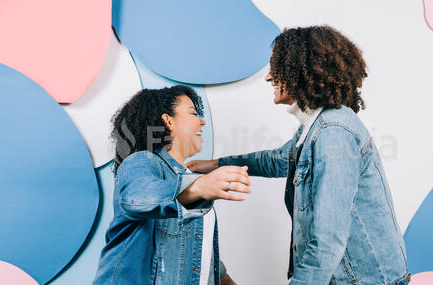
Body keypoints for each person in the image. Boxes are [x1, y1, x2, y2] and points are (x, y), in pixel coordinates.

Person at [187, 26, 410, 284]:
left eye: (276, 68)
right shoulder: (316, 127)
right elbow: (277, 160)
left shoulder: (333, 132)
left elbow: (328, 241)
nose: (269, 78)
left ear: (301, 72)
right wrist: (215, 165)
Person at [93, 86, 246, 285]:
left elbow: (199, 253)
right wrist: (197, 187)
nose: (202, 121)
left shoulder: (188, 178)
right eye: (193, 113)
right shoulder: (141, 161)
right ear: (168, 121)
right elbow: (137, 196)